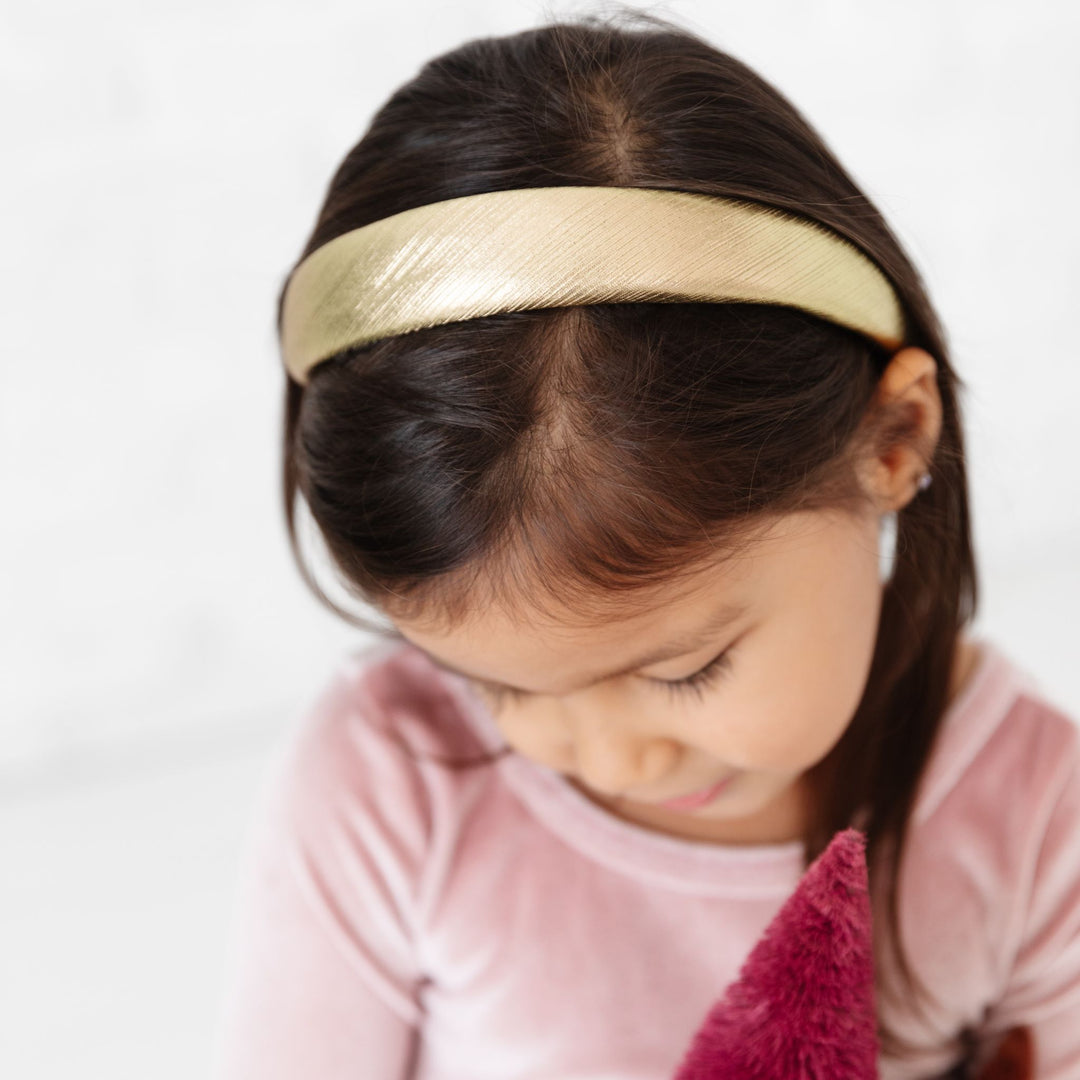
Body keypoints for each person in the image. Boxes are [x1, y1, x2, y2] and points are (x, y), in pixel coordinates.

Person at [209, 11, 1080, 1079]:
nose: (612, 758)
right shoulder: (387, 782)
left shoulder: (1035, 819)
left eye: (686, 667)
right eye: (500, 687)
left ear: (894, 441)